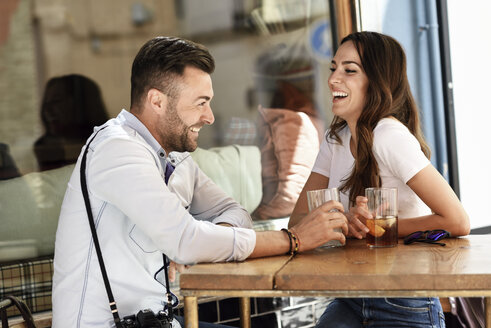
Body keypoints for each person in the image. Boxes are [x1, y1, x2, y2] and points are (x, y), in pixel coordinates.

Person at [51, 36, 349, 328]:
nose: (209, 117)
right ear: (157, 101)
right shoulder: (116, 148)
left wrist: (204, 242)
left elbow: (236, 213)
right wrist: (293, 239)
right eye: (200, 103)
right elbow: (185, 240)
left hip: (157, 321)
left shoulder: (173, 158)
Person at [289, 31, 470, 328]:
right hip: (350, 296)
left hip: (403, 301)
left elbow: (457, 220)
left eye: (350, 70)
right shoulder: (335, 140)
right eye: (333, 68)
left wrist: (377, 228)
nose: (334, 78)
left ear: (377, 81)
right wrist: (345, 221)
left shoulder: (389, 136)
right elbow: (297, 220)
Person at [34, 74, 109, 171]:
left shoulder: (108, 146)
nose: (47, 110)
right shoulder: (45, 148)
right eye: (46, 103)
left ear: (82, 105)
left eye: (56, 101)